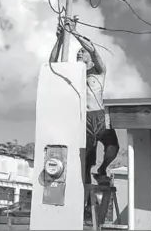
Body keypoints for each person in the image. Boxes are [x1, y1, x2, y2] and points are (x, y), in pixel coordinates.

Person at [49, 20, 119, 184]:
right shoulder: (74, 74)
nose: (79, 53)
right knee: (86, 162)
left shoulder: (98, 71)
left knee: (113, 147)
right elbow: (52, 64)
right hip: (83, 119)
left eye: (82, 51)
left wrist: (74, 32)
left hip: (100, 116)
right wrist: (59, 39)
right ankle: (85, 201)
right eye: (78, 52)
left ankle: (103, 169)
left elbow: (93, 50)